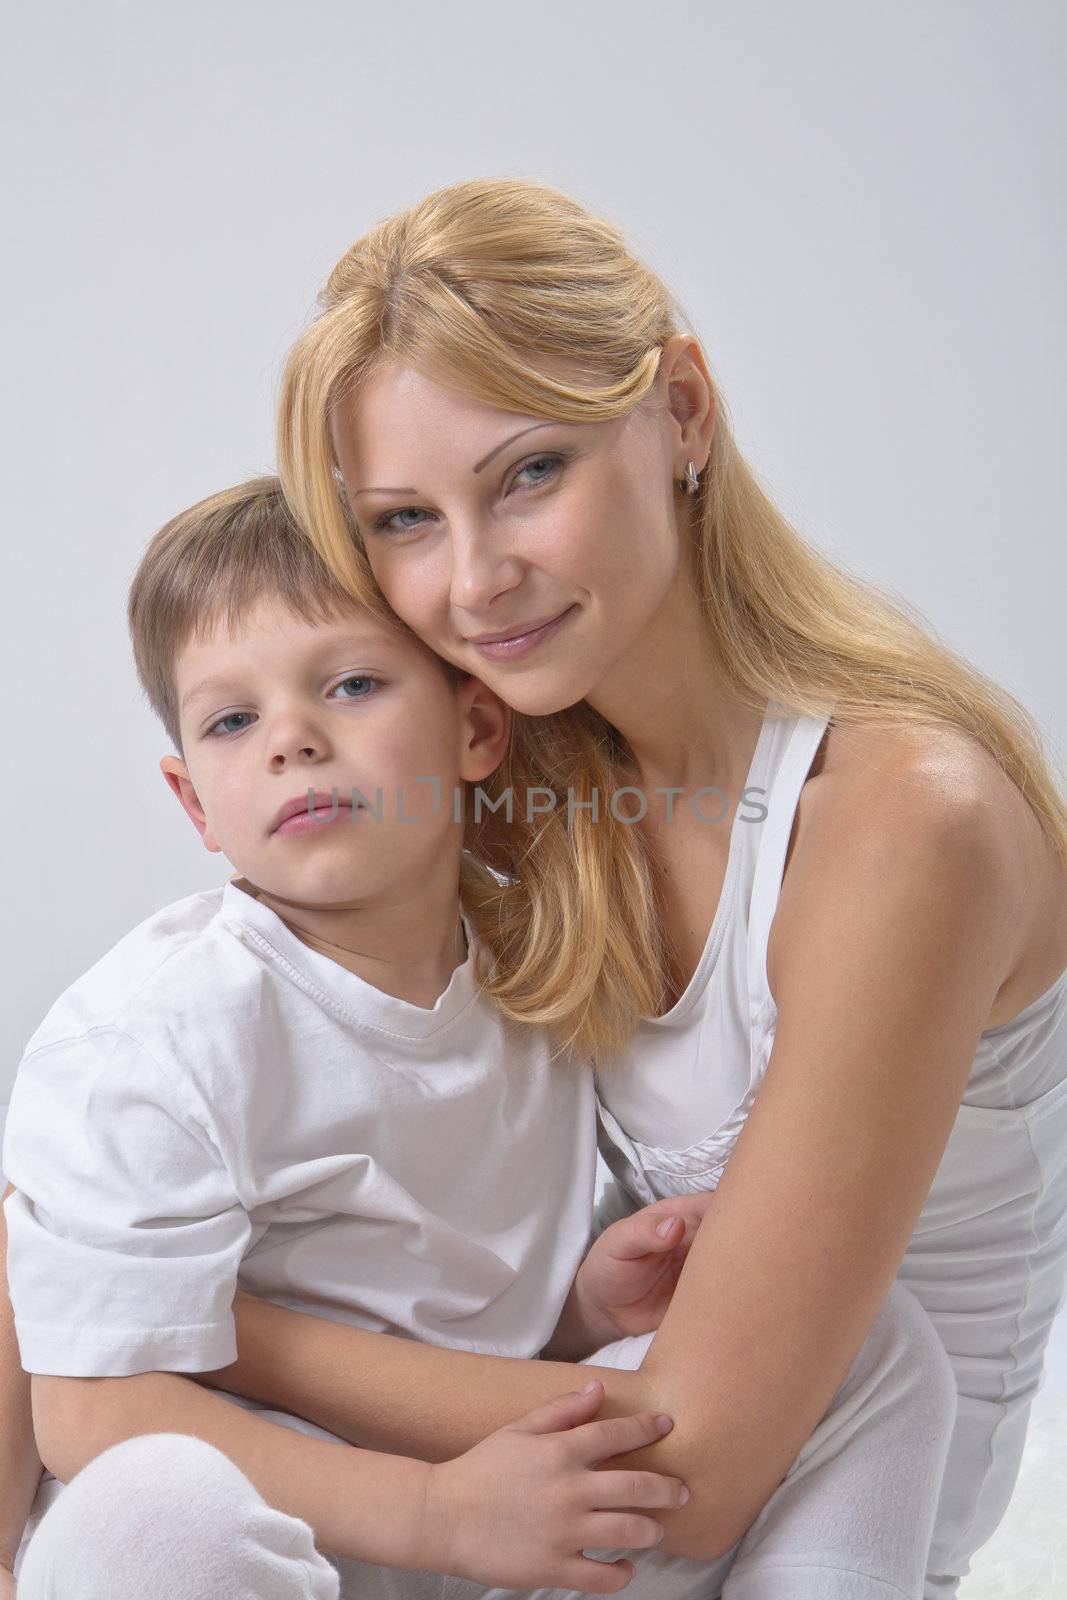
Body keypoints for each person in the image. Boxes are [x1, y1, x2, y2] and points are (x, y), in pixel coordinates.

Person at [222, 175, 1065, 1599]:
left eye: (526, 474)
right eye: (404, 521)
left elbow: (698, 1460)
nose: (475, 580)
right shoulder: (530, 800)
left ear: (680, 409)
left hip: (818, 1513)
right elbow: (170, 1049)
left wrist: (204, 1337)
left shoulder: (895, 825)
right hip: (573, 1463)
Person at [0, 478, 959, 1600]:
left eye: (351, 685)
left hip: (501, 1530)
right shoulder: (155, 1034)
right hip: (281, 1530)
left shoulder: (531, 965)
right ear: (195, 805)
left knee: (872, 1345)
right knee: (151, 1511)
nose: (292, 742)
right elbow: (92, 1410)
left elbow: (445, 1315)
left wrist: (579, 1311)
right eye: (231, 721)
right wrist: (429, 1514)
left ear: (474, 727)